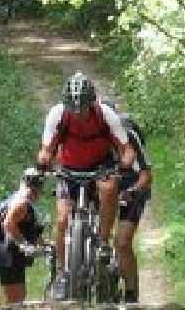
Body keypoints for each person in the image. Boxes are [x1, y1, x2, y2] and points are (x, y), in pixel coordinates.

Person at [36, 73, 138, 298]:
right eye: (74, 108)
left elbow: (126, 149)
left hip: (101, 166)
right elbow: (46, 148)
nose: (78, 113)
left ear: (91, 102)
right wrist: (43, 163)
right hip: (69, 169)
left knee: (109, 188)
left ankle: (102, 242)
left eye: (82, 108)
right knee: (62, 219)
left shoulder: (106, 115)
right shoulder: (58, 114)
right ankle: (62, 274)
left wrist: (123, 166)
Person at [0, 167, 50, 304]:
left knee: (19, 296)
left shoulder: (20, 200)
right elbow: (8, 224)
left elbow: (29, 229)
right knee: (14, 300)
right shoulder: (21, 203)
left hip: (11, 253)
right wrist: (23, 244)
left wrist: (45, 246)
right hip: (6, 253)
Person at [109, 111, 154, 303]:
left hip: (132, 185)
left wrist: (133, 191)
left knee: (122, 242)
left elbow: (146, 175)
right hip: (106, 185)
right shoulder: (91, 138)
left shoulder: (129, 134)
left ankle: (131, 294)